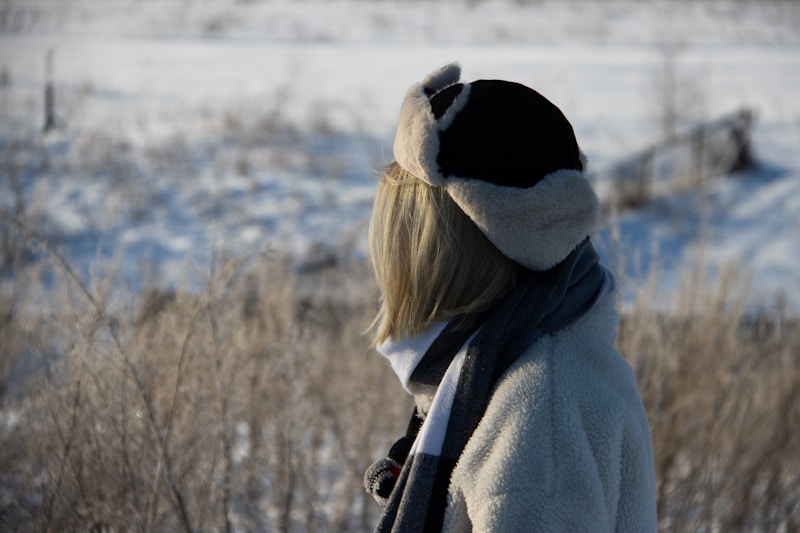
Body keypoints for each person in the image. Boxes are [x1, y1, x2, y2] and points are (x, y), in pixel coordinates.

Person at [363, 63, 657, 532]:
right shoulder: (521, 370)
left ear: (447, 253)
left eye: (404, 235)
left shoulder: (540, 419)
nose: (388, 264)